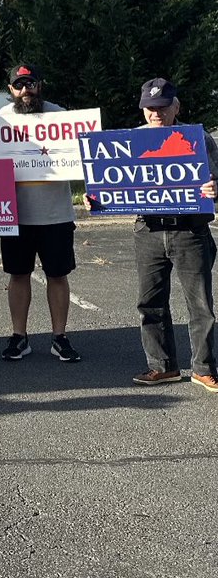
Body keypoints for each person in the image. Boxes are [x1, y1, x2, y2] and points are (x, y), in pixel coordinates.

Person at [0, 63, 81, 363]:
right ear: (11, 89)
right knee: (18, 275)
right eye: (19, 84)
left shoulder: (60, 115)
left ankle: (59, 337)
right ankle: (19, 336)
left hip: (56, 214)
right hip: (15, 215)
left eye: (31, 83)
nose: (26, 90)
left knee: (58, 275)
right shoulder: (1, 119)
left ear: (40, 85)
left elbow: (81, 152)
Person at [128, 79, 218, 392]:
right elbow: (115, 185)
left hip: (190, 230)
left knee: (200, 305)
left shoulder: (199, 138)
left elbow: (217, 177)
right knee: (150, 302)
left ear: (175, 107)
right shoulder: (130, 141)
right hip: (148, 230)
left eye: (162, 106)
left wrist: (215, 188)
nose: (156, 113)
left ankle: (203, 369)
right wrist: (97, 198)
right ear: (142, 109)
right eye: (150, 108)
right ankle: (162, 367)